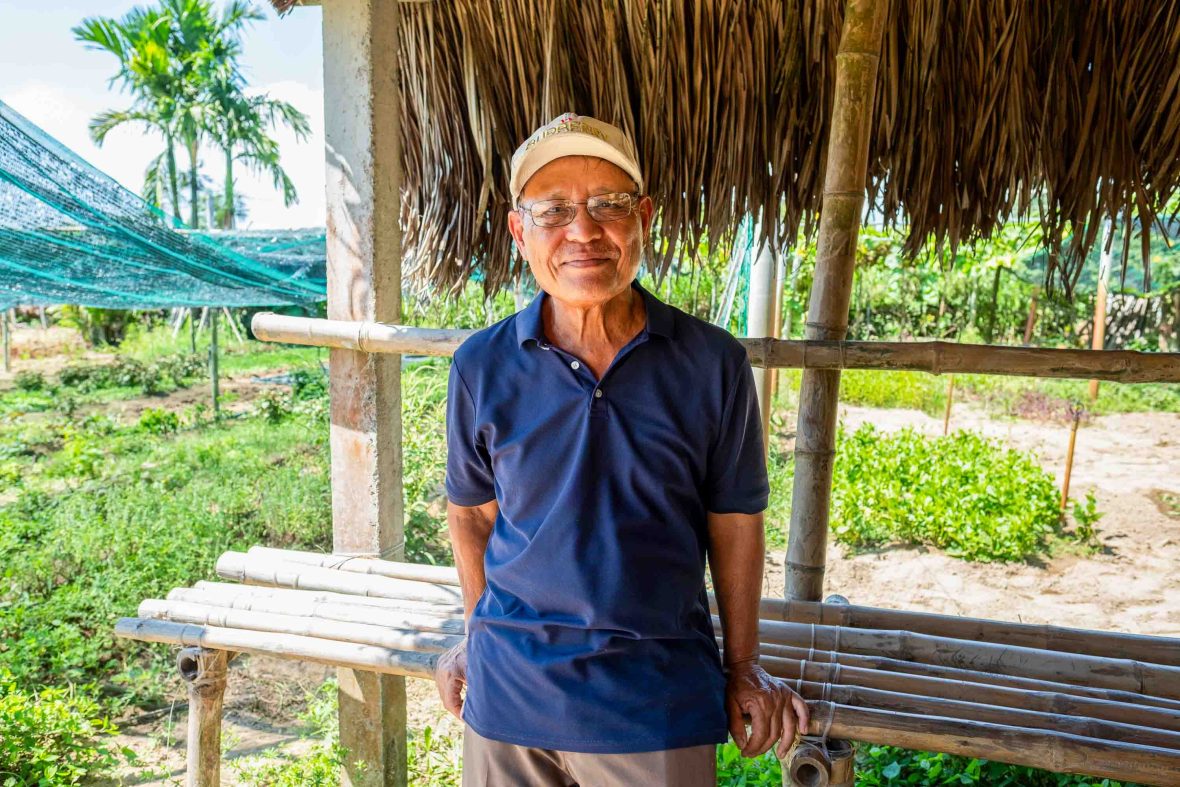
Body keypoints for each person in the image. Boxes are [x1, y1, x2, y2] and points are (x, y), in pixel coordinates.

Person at [434, 112, 809, 787]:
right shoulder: (481, 365)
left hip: (653, 703)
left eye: (608, 204)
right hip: (508, 700)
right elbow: (472, 515)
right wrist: (475, 639)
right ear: (519, 232)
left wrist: (743, 666)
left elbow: (735, 522)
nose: (583, 231)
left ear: (644, 217)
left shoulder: (711, 363)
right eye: (554, 211)